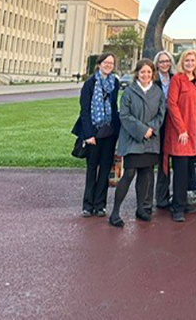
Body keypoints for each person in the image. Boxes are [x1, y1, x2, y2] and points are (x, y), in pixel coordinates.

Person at [109, 59, 165, 227]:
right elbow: (125, 116)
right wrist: (142, 130)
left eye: (149, 72)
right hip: (133, 139)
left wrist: (151, 129)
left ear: (153, 74)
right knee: (129, 174)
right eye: (142, 72)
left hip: (151, 140)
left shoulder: (157, 91)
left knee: (146, 174)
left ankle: (141, 209)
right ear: (137, 74)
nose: (146, 75)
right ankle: (115, 212)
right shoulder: (129, 92)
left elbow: (161, 114)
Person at [71, 52, 120, 217]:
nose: (108, 65)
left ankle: (100, 205)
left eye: (111, 63)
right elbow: (85, 110)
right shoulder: (90, 83)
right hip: (93, 132)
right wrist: (88, 134)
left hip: (109, 132)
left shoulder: (115, 83)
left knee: (105, 169)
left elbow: (114, 107)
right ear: (99, 64)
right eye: (106, 62)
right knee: (92, 168)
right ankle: (87, 204)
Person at [163, 49, 196, 222]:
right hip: (181, 133)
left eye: (193, 61)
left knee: (189, 170)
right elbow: (172, 105)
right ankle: (178, 207)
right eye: (187, 60)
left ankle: (183, 200)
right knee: (180, 171)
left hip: (195, 134)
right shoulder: (177, 79)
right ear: (182, 62)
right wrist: (181, 129)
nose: (190, 63)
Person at [152, 50, 175, 209]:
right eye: (161, 62)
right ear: (156, 64)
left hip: (173, 123)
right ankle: (160, 197)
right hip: (157, 124)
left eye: (167, 61)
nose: (165, 64)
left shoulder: (175, 79)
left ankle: (172, 194)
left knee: (171, 160)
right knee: (161, 161)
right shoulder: (153, 81)